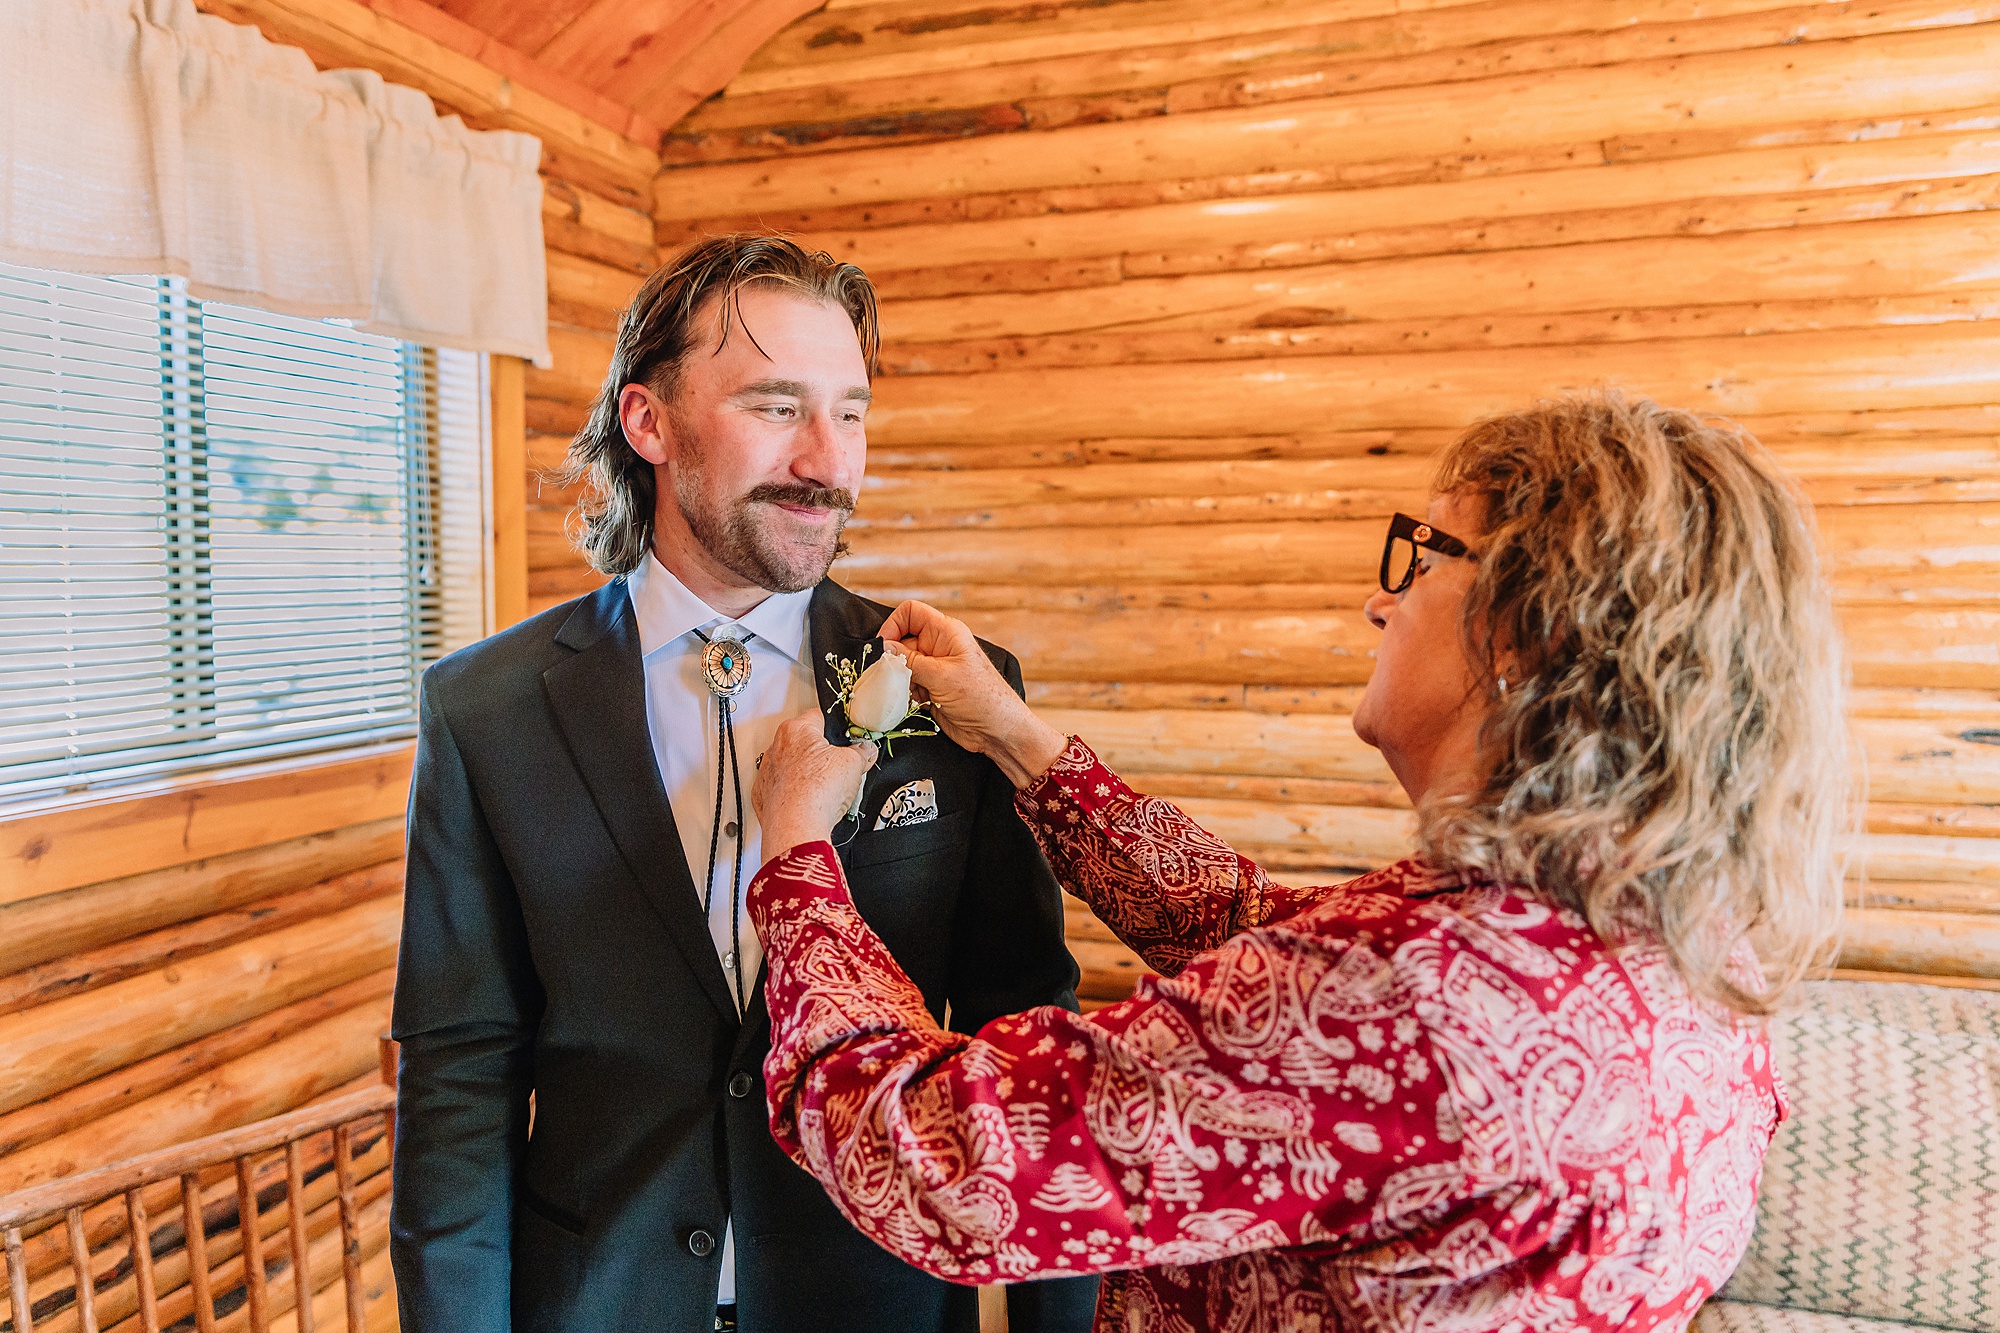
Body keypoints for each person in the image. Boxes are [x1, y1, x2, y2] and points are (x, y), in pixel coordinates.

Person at [742, 391, 1850, 1332]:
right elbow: (1256, 929)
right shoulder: (1670, 936)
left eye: (1421, 557)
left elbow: (938, 1159)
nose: (1380, 600)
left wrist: (794, 852)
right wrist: (1018, 740)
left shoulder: (1411, 997)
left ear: (1527, 629)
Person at [389, 234, 1098, 1333]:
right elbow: (458, 1080)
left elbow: (1026, 1031)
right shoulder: (484, 709)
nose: (829, 460)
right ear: (648, 423)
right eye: (777, 407)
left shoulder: (959, 691)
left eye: (850, 412)